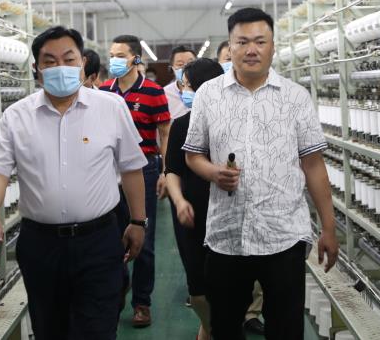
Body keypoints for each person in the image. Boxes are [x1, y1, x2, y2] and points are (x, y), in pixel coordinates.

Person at [0, 26, 148, 340]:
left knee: (97, 329)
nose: (60, 67)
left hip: (99, 241)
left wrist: (138, 221)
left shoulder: (110, 108)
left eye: (69, 59)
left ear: (82, 63)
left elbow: (131, 168)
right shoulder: (16, 116)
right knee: (49, 329)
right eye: (50, 61)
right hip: (41, 245)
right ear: (37, 69)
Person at [184, 8, 339, 340]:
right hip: (227, 235)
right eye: (242, 42)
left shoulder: (296, 98)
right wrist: (213, 172)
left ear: (272, 46)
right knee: (224, 327)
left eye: (260, 41)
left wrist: (328, 228)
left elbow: (314, 165)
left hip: (283, 235)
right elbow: (193, 155)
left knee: (286, 329)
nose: (251, 49)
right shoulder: (208, 95)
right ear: (230, 46)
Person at [101, 35, 171, 328]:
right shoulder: (104, 91)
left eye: (120, 55)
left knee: (144, 237)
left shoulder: (154, 92)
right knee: (111, 237)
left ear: (136, 58)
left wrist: (166, 171)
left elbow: (164, 133)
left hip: (144, 169)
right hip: (108, 171)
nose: (114, 60)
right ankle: (118, 289)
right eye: (112, 55)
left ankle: (142, 302)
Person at [165, 58, 225, 340]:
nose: (183, 91)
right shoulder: (181, 125)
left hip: (228, 216)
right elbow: (172, 171)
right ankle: (211, 328)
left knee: (228, 285)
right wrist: (179, 201)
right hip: (193, 217)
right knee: (197, 289)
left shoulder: (233, 123)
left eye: (187, 86)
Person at [216, 42, 264, 335]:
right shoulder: (214, 97)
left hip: (257, 191)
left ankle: (252, 312)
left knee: (256, 253)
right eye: (228, 57)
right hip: (222, 190)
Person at [164, 46, 197, 120]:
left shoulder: (206, 89)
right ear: (172, 68)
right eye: (180, 64)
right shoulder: (164, 94)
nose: (186, 68)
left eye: (191, 63)